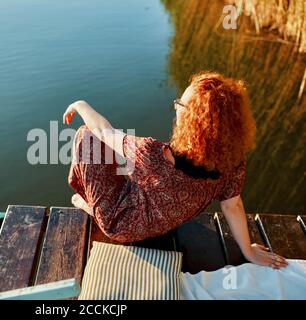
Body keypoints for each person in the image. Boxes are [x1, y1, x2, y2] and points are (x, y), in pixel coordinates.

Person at [63, 71, 287, 269]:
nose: (176, 105)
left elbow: (103, 131)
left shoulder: (152, 154)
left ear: (192, 120)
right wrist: (248, 251)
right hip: (167, 222)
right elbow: (232, 205)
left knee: (88, 136)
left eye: (180, 104)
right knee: (131, 169)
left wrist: (80, 105)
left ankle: (90, 205)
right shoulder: (233, 162)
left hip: (120, 226)